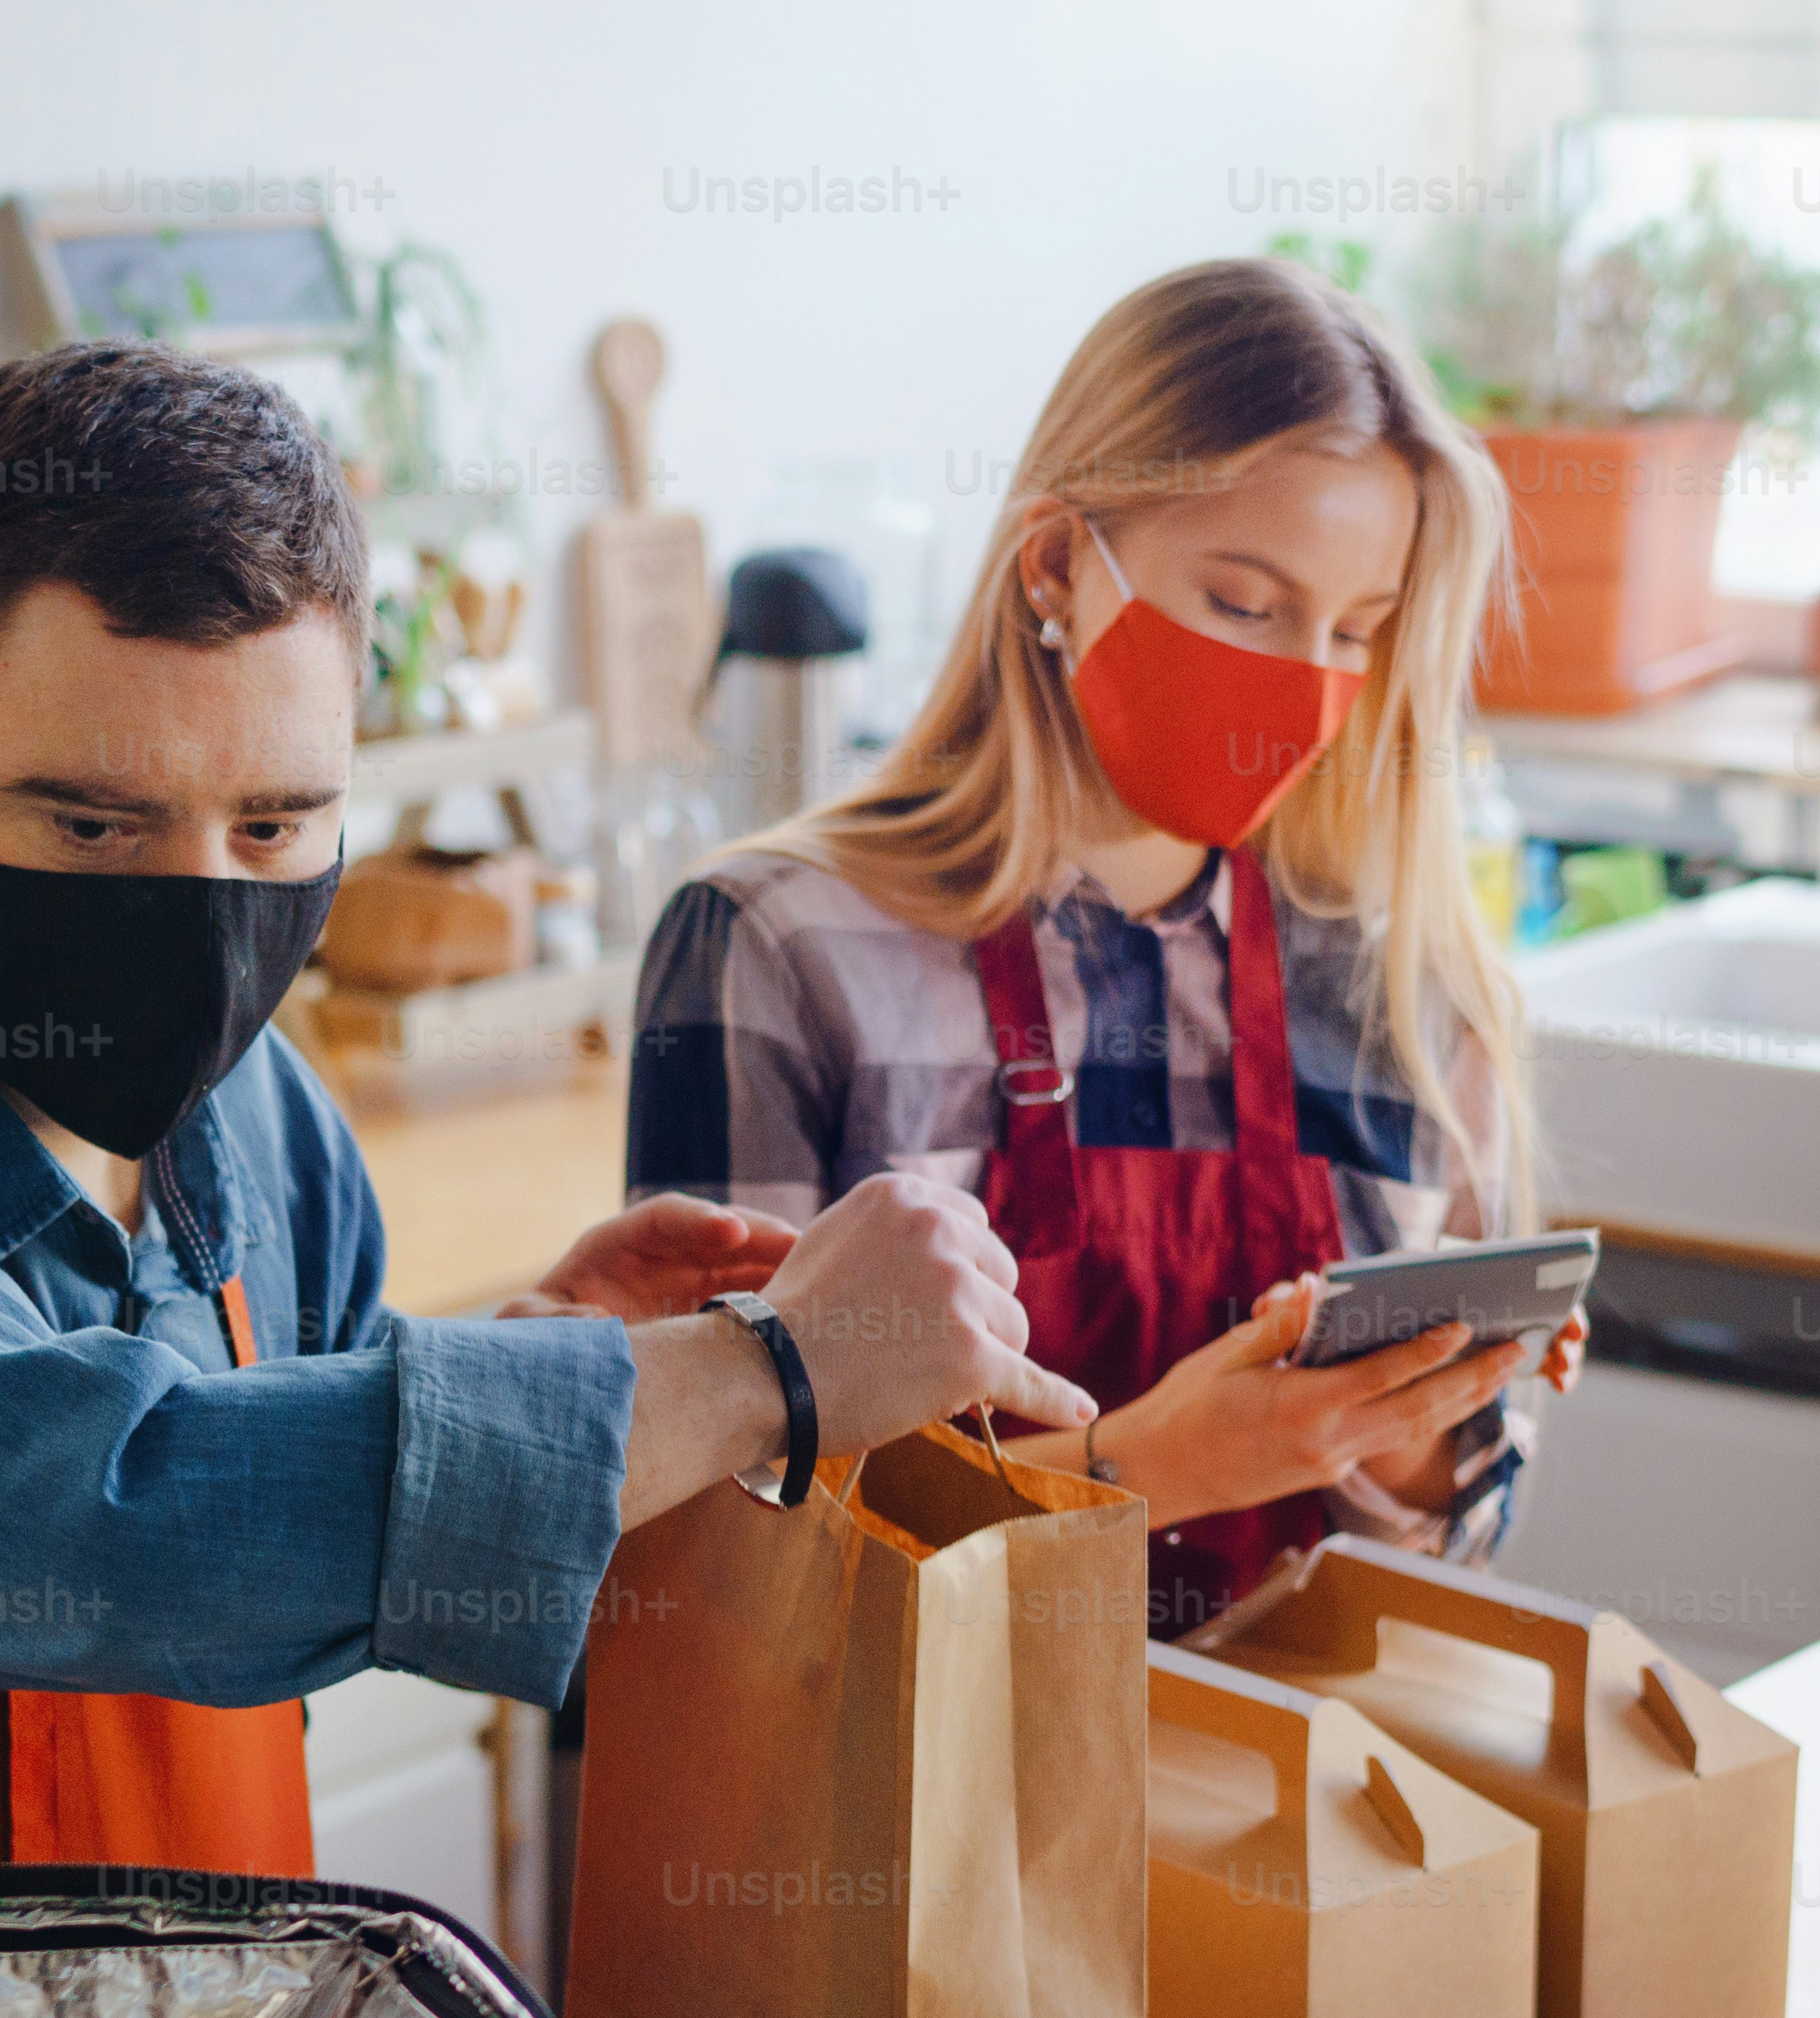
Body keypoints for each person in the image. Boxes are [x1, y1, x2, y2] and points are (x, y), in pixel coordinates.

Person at [0, 339, 1087, 1881]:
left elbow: (288, 1525)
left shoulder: (257, 1117)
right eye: (94, 828)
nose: (197, 914)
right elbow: (126, 1525)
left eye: (273, 825)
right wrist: (759, 1375)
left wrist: (541, 1356)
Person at [624, 256, 1570, 1631]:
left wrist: (1407, 1411)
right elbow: (714, 1545)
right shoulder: (778, 953)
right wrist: (1156, 1467)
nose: (1301, 685)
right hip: (879, 1838)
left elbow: (1448, 1558)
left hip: (1272, 1824)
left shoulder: (1402, 995)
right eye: (1244, 606)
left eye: (1354, 632)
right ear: (1058, 563)